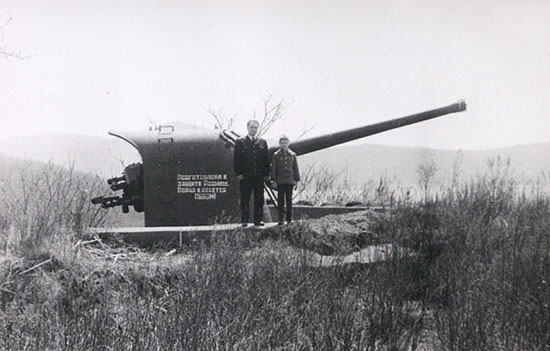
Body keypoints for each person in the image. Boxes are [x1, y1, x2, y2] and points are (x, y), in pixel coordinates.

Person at [233, 120, 270, 227]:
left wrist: (267, 174)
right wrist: (239, 173)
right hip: (246, 176)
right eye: (252, 127)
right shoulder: (240, 142)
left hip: (259, 175)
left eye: (255, 128)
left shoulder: (262, 142)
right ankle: (244, 220)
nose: (254, 129)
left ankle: (258, 220)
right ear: (247, 128)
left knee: (259, 199)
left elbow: (265, 160)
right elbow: (236, 159)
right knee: (245, 198)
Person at [271, 135, 300, 225]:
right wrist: (274, 180)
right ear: (279, 144)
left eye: (286, 143)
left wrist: (296, 180)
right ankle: (280, 219)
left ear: (288, 143)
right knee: (280, 201)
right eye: (282, 143)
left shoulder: (292, 155)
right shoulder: (276, 155)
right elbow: (274, 169)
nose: (284, 145)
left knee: (289, 201)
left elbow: (295, 168)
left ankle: (289, 218)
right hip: (280, 181)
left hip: (289, 181)